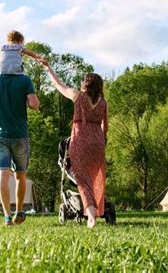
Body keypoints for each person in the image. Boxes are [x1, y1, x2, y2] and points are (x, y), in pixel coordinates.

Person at [44, 64, 108, 228]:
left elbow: (59, 85)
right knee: (94, 179)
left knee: (82, 180)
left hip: (80, 141)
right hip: (98, 143)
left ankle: (91, 218)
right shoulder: (103, 103)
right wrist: (100, 141)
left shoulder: (77, 96)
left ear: (85, 84)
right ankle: (94, 211)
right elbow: (105, 127)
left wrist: (49, 68)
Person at [0, 63, 40, 226]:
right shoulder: (25, 80)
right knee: (21, 176)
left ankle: (7, 217)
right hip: (20, 135)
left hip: (0, 135)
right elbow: (35, 104)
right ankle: (19, 211)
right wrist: (25, 101)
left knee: (3, 175)